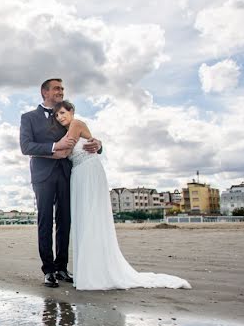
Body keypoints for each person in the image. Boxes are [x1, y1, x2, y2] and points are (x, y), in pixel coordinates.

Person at [51, 100, 191, 290]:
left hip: (89, 172)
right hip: (79, 174)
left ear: (71, 111)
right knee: (84, 219)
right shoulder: (67, 131)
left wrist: (43, 151)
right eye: (57, 115)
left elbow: (66, 150)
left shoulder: (76, 124)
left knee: (92, 217)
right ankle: (90, 270)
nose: (60, 117)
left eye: (62, 113)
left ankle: (96, 273)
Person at [20, 78, 102, 288]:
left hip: (68, 173)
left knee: (65, 221)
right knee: (45, 221)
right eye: (57, 88)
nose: (61, 91)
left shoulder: (65, 116)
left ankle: (62, 268)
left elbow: (83, 137)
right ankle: (48, 270)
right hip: (43, 176)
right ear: (44, 92)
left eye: (62, 89)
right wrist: (55, 146)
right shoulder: (28, 117)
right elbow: (26, 146)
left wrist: (99, 144)